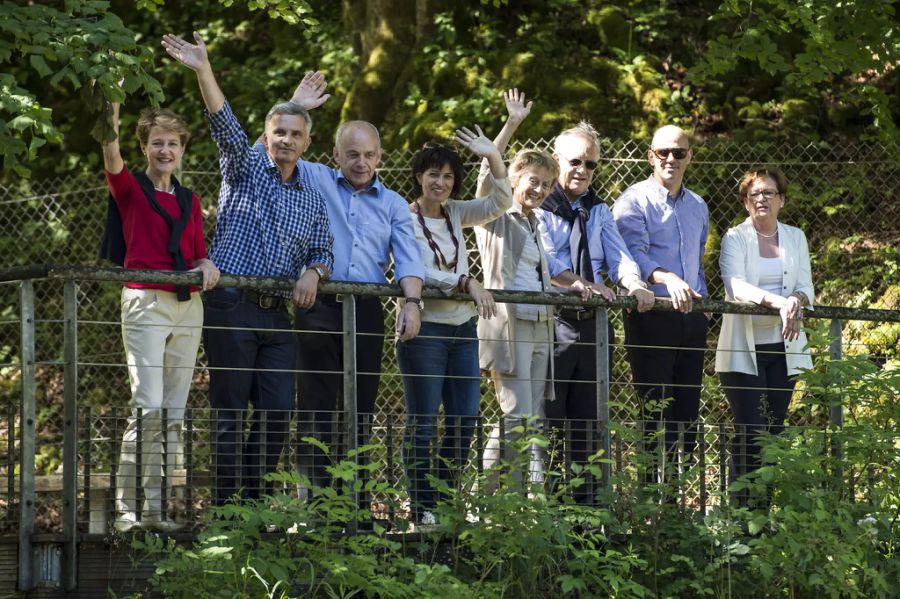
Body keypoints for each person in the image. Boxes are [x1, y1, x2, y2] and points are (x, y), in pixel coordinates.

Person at [162, 32, 335, 505]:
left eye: (296, 134)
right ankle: (227, 512)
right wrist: (203, 70)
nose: (286, 139)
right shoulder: (245, 169)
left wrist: (314, 273)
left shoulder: (312, 197)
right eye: (279, 132)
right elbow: (224, 124)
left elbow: (324, 246)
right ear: (266, 137)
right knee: (230, 413)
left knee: (277, 413)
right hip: (232, 306)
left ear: (307, 142)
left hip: (279, 316)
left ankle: (254, 510)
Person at [280, 84, 425, 494]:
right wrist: (296, 107)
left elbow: (409, 259)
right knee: (315, 404)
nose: (361, 163)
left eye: (369, 155)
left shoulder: (395, 203)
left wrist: (411, 303)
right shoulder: (316, 179)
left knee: (360, 406)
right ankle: (316, 505)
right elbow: (268, 153)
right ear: (335, 155)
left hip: (365, 309)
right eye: (352, 154)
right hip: (317, 304)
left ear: (380, 157)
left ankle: (357, 505)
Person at [100, 100, 219, 532]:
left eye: (172, 143)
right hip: (145, 302)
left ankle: (158, 510)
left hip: (188, 306)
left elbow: (198, 252)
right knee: (147, 406)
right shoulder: (130, 188)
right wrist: (111, 112)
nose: (165, 150)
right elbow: (111, 156)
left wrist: (207, 265)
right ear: (145, 148)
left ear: (183, 149)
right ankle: (127, 510)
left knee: (174, 412)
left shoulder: (190, 199)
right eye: (156, 143)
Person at [397, 128, 510, 525]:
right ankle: (422, 506)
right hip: (424, 330)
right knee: (424, 421)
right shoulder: (403, 217)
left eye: (447, 176)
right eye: (432, 175)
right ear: (418, 177)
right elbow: (416, 272)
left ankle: (443, 499)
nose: (440, 183)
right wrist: (465, 281)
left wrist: (493, 154)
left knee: (464, 420)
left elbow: (501, 200)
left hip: (463, 331)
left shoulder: (458, 212)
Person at [538, 121, 654, 503]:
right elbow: (546, 261)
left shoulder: (597, 209)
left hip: (593, 328)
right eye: (575, 161)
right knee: (549, 420)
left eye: (590, 165)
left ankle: (586, 510)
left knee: (589, 423)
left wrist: (634, 284)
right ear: (556, 161)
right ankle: (550, 507)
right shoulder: (540, 206)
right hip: (553, 324)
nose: (583, 171)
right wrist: (579, 284)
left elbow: (619, 256)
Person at [475, 145, 594, 487]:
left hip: (542, 325)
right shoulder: (495, 214)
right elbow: (487, 176)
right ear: (513, 178)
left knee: (530, 418)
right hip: (510, 328)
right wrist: (508, 129)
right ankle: (509, 507)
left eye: (546, 184)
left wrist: (579, 284)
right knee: (517, 418)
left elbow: (549, 271)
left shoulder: (536, 221)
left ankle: (480, 495)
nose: (539, 190)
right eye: (533, 181)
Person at [612, 125, 709, 485]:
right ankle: (650, 495)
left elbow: (697, 258)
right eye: (663, 152)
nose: (671, 159)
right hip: (651, 315)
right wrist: (668, 279)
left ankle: (681, 497)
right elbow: (630, 256)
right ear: (651, 156)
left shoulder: (698, 205)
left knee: (687, 410)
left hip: (693, 319)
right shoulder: (632, 201)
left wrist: (704, 299)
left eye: (679, 153)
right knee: (653, 409)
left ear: (689, 157)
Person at [715, 168, 813, 506]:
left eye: (769, 193)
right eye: (754, 193)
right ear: (745, 201)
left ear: (782, 200)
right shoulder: (734, 237)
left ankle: (762, 515)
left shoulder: (796, 237)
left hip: (785, 350)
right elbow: (736, 287)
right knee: (751, 432)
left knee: (772, 435)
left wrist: (796, 301)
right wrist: (779, 303)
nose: (762, 199)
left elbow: (805, 287)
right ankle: (739, 518)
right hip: (743, 351)